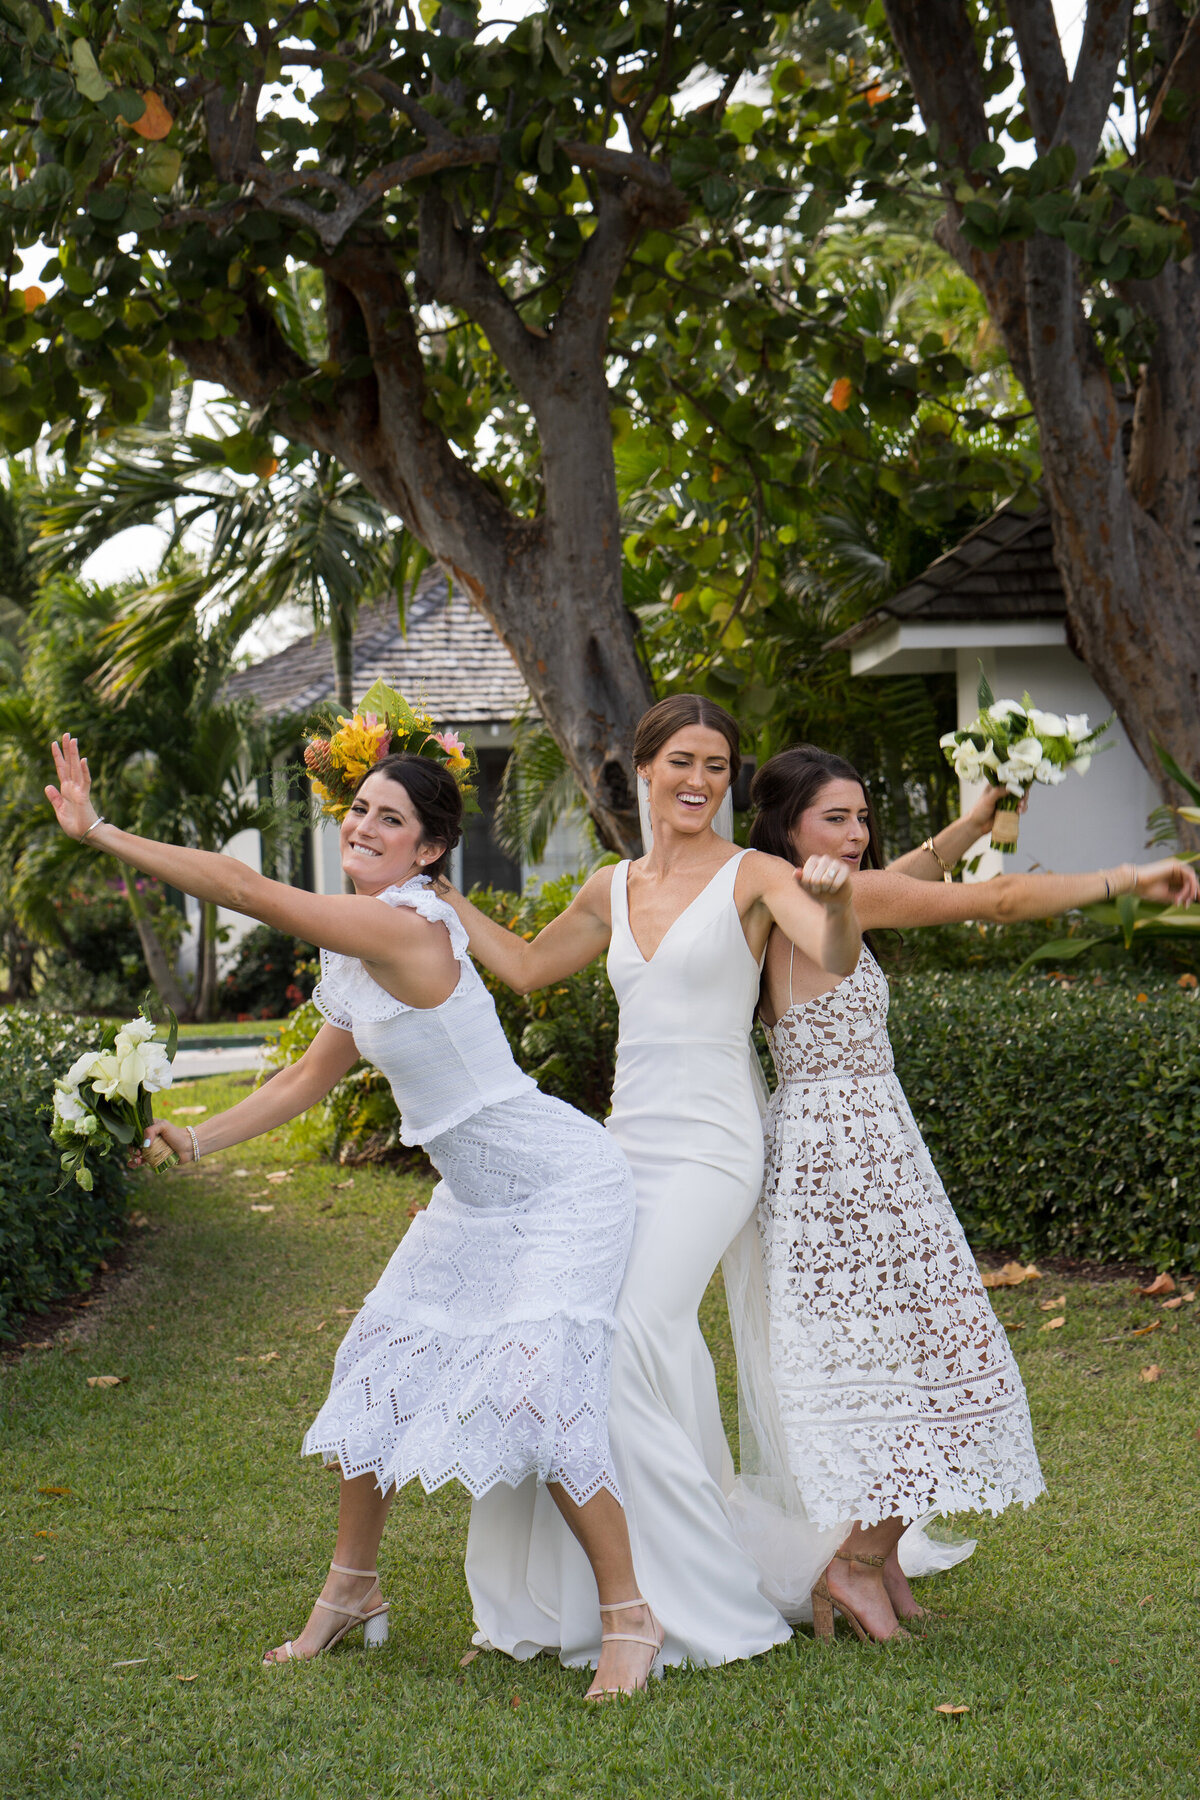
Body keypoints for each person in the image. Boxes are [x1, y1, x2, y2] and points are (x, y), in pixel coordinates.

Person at [45, 734, 665, 1697]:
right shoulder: (361, 942)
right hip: (471, 1198)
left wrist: (101, 833)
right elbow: (305, 1076)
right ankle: (353, 1592)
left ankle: (631, 1617)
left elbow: (248, 892)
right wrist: (198, 1142)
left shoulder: (407, 925)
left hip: (561, 1185)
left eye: (392, 818)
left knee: (540, 1392)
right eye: (360, 808)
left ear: (428, 852)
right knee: (373, 1364)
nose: (365, 826)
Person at [442, 694, 864, 1668]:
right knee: (577, 1329)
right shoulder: (609, 886)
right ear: (642, 769)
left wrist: (836, 904)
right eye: (683, 760)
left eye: (718, 767)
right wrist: (444, 898)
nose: (700, 782)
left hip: (716, 1146)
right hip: (623, 1146)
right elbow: (526, 968)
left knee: (633, 1329)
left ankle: (679, 1593)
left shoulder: (757, 874)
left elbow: (832, 956)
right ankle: (582, 1592)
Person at [746, 743, 1199, 1643]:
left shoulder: (811, 896)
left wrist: (982, 808)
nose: (857, 833)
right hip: (849, 1165)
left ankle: (874, 1560)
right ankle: (856, 1564)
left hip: (855, 1153)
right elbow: (993, 901)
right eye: (834, 817)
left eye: (862, 816)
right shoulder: (818, 894)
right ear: (789, 828)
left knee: (916, 1351)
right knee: (932, 1357)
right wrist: (1128, 876)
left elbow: (921, 871)